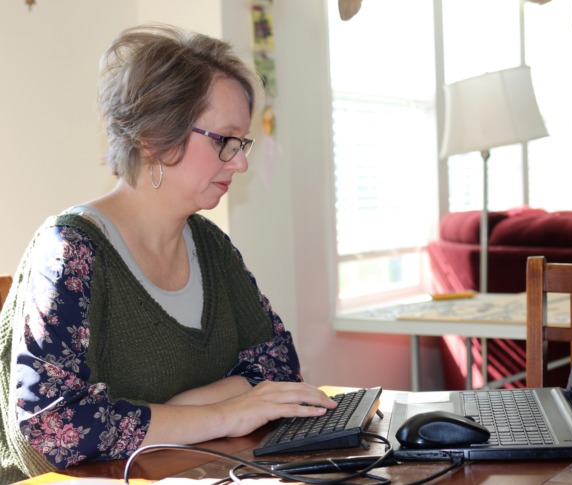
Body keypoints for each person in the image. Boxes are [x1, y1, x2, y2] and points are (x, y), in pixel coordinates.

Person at [0, 24, 336, 482]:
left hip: (191, 470)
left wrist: (174, 412)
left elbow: (277, 365)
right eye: (224, 141)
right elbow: (54, 427)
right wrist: (227, 413)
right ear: (153, 137)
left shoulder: (209, 244)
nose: (240, 162)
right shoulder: (69, 251)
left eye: (242, 143)